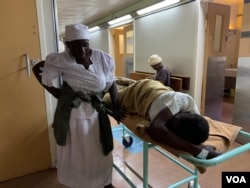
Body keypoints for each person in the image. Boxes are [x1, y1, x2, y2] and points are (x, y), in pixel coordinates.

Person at [33, 23, 121, 188]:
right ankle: (80, 184)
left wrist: (116, 107)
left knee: (100, 151)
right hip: (74, 115)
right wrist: (54, 92)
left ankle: (104, 182)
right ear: (67, 46)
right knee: (79, 154)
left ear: (89, 43)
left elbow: (111, 84)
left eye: (84, 45)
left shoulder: (102, 58)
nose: (81, 50)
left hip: (96, 113)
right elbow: (37, 68)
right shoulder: (61, 60)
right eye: (75, 46)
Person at [104, 79, 222, 159]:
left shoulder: (193, 115)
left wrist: (200, 148)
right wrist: (198, 151)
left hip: (153, 89)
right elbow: (155, 129)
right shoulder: (179, 101)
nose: (169, 120)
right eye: (172, 119)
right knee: (107, 99)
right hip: (140, 90)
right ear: (182, 113)